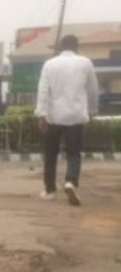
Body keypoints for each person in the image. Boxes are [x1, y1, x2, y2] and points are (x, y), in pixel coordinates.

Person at [35, 34, 99, 205]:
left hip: (53, 116)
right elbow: (93, 89)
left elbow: (43, 90)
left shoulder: (49, 64)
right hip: (75, 116)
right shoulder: (85, 63)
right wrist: (92, 110)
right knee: (73, 153)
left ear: (60, 47)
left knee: (50, 154)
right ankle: (70, 181)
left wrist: (41, 114)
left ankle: (49, 189)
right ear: (76, 47)